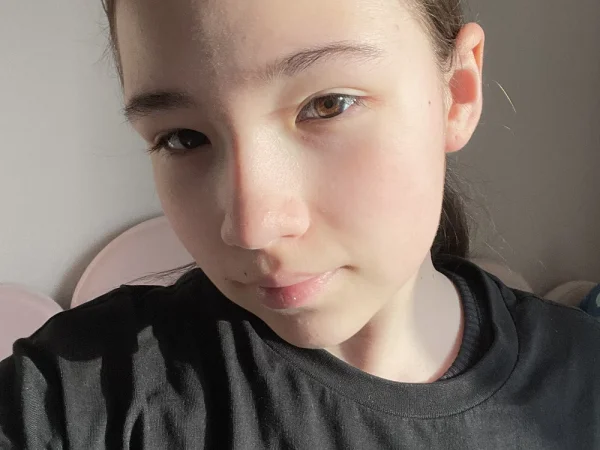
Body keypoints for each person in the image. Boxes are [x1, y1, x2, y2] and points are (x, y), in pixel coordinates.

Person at [1, 0, 599, 448]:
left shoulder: (585, 377)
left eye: (327, 104)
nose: (251, 228)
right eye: (182, 137)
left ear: (457, 93)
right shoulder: (85, 392)